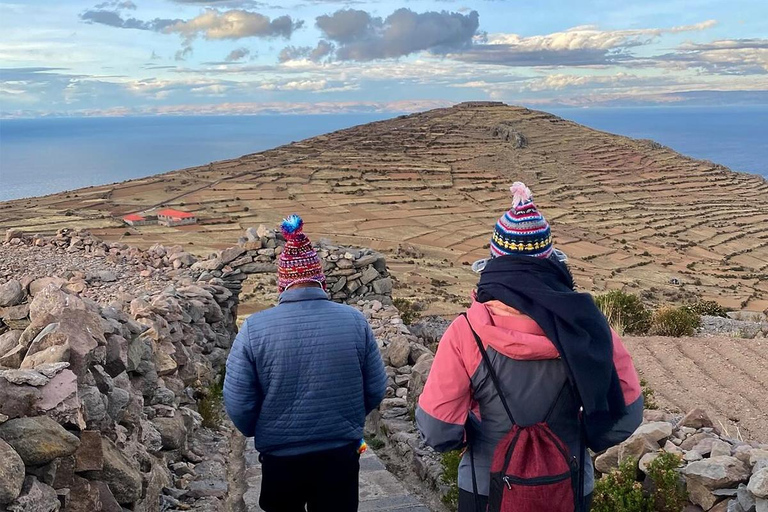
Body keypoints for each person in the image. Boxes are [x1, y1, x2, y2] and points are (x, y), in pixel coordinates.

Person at [416, 183, 643, 511]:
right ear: (552, 264)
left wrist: (474, 437)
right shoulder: (589, 328)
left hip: (485, 488)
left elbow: (437, 430)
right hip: (571, 483)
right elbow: (626, 415)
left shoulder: (466, 332)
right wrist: (580, 438)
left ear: (494, 266)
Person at [224, 214, 387, 512]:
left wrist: (258, 429)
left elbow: (238, 400)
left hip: (280, 458)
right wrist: (348, 416)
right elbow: (376, 387)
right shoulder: (354, 321)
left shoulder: (254, 328)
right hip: (340, 452)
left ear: (282, 282)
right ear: (320, 278)